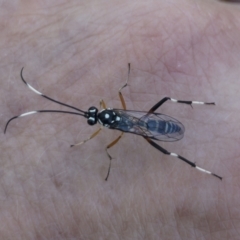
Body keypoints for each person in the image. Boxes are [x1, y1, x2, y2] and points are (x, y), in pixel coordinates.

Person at [1, 0, 237, 239]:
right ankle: (200, 148)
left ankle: (200, 165)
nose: (92, 116)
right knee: (166, 110)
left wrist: (93, 146)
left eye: (92, 116)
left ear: (97, 118)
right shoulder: (110, 110)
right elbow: (120, 93)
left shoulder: (104, 124)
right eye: (93, 117)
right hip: (145, 122)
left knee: (164, 147)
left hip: (143, 125)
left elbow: (106, 140)